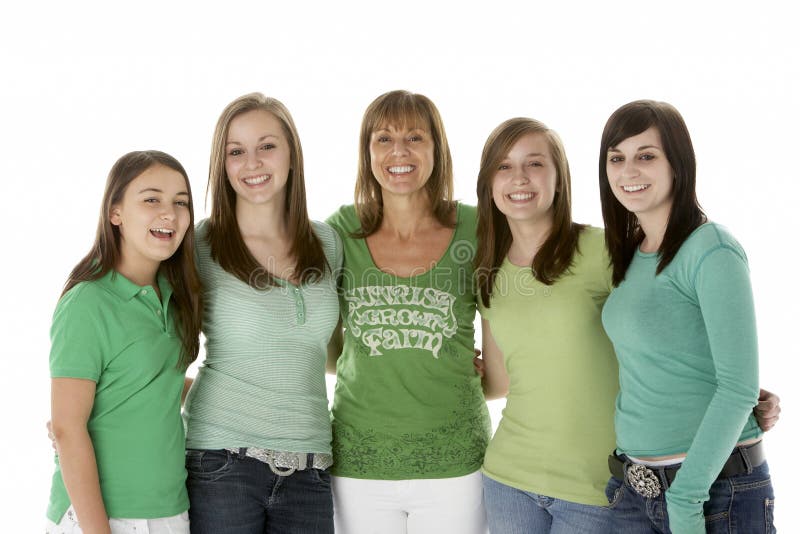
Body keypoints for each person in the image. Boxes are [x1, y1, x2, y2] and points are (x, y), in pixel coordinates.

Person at [599, 100, 776, 533]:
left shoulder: (711, 248)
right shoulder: (630, 253)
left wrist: (686, 496)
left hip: (711, 494)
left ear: (677, 164)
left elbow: (737, 389)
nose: (628, 171)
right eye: (616, 158)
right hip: (632, 490)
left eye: (646, 156)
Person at [326, 89, 491, 534]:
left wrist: (466, 366)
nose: (399, 151)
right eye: (383, 138)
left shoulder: (477, 228)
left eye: (415, 137)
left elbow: (505, 342)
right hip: (359, 461)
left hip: (456, 460)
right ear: (367, 152)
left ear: (437, 148)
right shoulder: (339, 233)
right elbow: (322, 344)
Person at [181, 93, 341, 534]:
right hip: (222, 462)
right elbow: (157, 351)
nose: (252, 163)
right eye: (236, 151)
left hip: (311, 466)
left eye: (266, 146)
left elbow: (327, 350)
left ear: (292, 153)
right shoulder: (199, 245)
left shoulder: (329, 243)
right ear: (222, 164)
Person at [46, 150, 202, 534]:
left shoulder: (176, 295)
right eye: (152, 199)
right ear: (115, 212)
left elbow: (151, 384)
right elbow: (67, 428)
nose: (169, 212)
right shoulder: (87, 302)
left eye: (180, 202)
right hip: (101, 517)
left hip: (171, 510)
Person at [474, 117, 617, 533]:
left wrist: (728, 391)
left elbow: (663, 335)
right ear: (489, 183)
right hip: (507, 480)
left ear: (559, 178)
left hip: (595, 488)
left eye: (534, 164)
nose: (518, 177)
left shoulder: (602, 250)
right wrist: (459, 367)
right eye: (503, 166)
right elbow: (499, 385)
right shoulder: (488, 272)